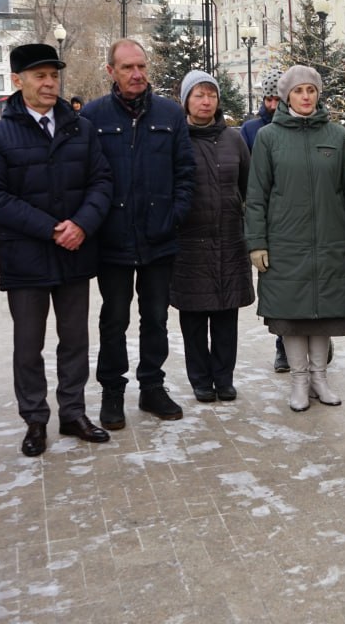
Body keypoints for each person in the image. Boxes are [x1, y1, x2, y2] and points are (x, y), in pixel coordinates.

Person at [0, 43, 113, 457]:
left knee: (75, 341)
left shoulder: (80, 128)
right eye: (40, 76)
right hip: (26, 258)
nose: (50, 83)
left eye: (54, 75)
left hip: (74, 254)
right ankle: (35, 419)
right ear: (17, 81)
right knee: (28, 345)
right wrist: (51, 229)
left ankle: (73, 412)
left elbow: (102, 181)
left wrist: (82, 224)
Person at [80, 39, 194, 429]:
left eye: (142, 66)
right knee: (114, 319)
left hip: (159, 238)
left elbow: (185, 172)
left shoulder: (170, 114)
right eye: (128, 67)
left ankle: (152, 387)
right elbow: (86, 175)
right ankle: (112, 391)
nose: (137, 74)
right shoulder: (93, 116)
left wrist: (174, 215)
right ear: (111, 71)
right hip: (112, 240)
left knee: (156, 318)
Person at [245, 65, 345, 413]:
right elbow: (256, 196)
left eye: (311, 90)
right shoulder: (269, 137)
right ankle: (299, 380)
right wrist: (257, 243)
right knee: (293, 315)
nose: (305, 96)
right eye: (298, 90)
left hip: (329, 241)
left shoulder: (336, 136)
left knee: (323, 312)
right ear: (286, 96)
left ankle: (319, 379)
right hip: (285, 243)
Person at [169, 71, 254, 402]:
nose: (206, 102)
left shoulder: (234, 139)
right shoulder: (175, 139)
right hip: (189, 244)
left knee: (226, 315)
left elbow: (248, 187)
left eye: (212, 95)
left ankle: (224, 377)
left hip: (229, 239)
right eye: (199, 95)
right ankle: (200, 379)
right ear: (186, 100)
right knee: (193, 316)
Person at [239, 70, 293, 372]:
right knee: (276, 288)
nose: (272, 105)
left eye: (277, 99)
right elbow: (247, 177)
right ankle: (283, 345)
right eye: (268, 99)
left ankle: (314, 335)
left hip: (293, 216)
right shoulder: (251, 130)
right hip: (266, 220)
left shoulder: (296, 126)